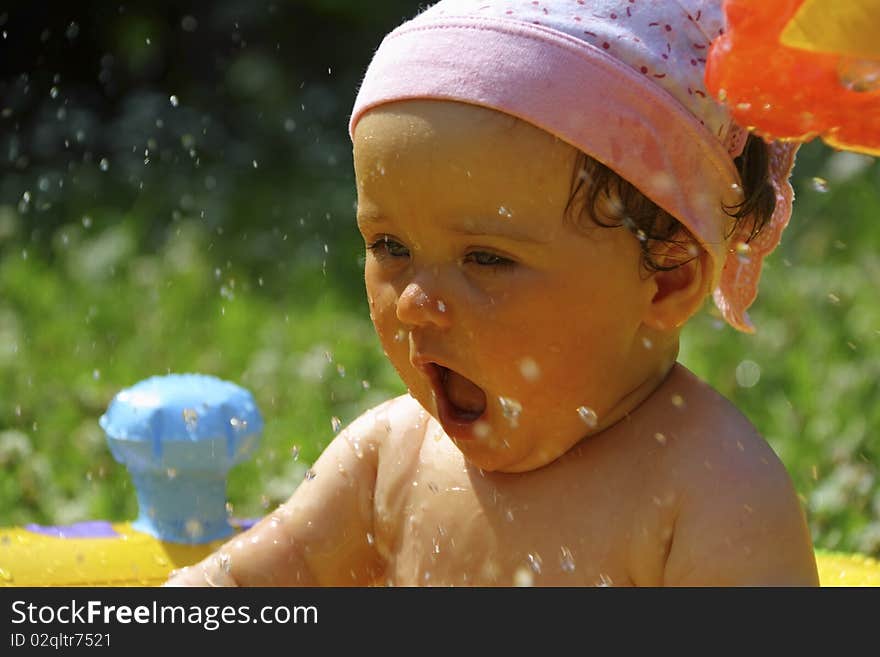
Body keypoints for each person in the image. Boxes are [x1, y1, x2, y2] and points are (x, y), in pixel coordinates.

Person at [166, 0, 819, 587]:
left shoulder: (710, 493)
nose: (414, 301)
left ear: (666, 279)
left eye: (485, 257)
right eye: (392, 247)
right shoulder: (389, 460)